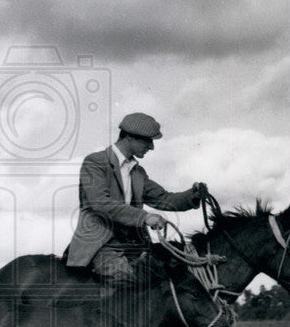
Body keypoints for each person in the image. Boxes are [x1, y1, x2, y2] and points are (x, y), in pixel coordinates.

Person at [65, 112, 208, 284]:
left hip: (133, 244)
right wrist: (145, 217)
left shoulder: (137, 172)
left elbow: (163, 198)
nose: (151, 147)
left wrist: (192, 196)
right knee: (129, 281)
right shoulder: (95, 162)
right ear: (130, 137)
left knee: (169, 276)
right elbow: (101, 204)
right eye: (148, 140)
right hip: (101, 245)